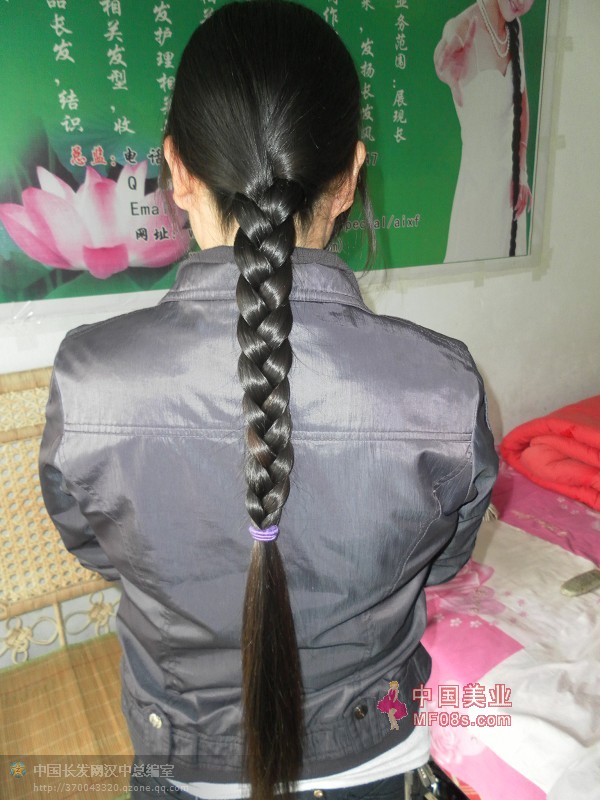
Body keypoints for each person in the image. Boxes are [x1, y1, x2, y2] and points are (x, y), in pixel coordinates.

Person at [39, 2, 498, 798]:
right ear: (351, 178)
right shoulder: (444, 386)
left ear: (177, 169)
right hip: (378, 747)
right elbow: (445, 560)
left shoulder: (90, 379)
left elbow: (100, 549)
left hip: (184, 755)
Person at [434, 0, 535, 262]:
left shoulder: (515, 29)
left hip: (511, 192)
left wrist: (522, 173)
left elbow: (521, 101)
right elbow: (446, 50)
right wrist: (445, 66)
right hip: (477, 195)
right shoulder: (463, 25)